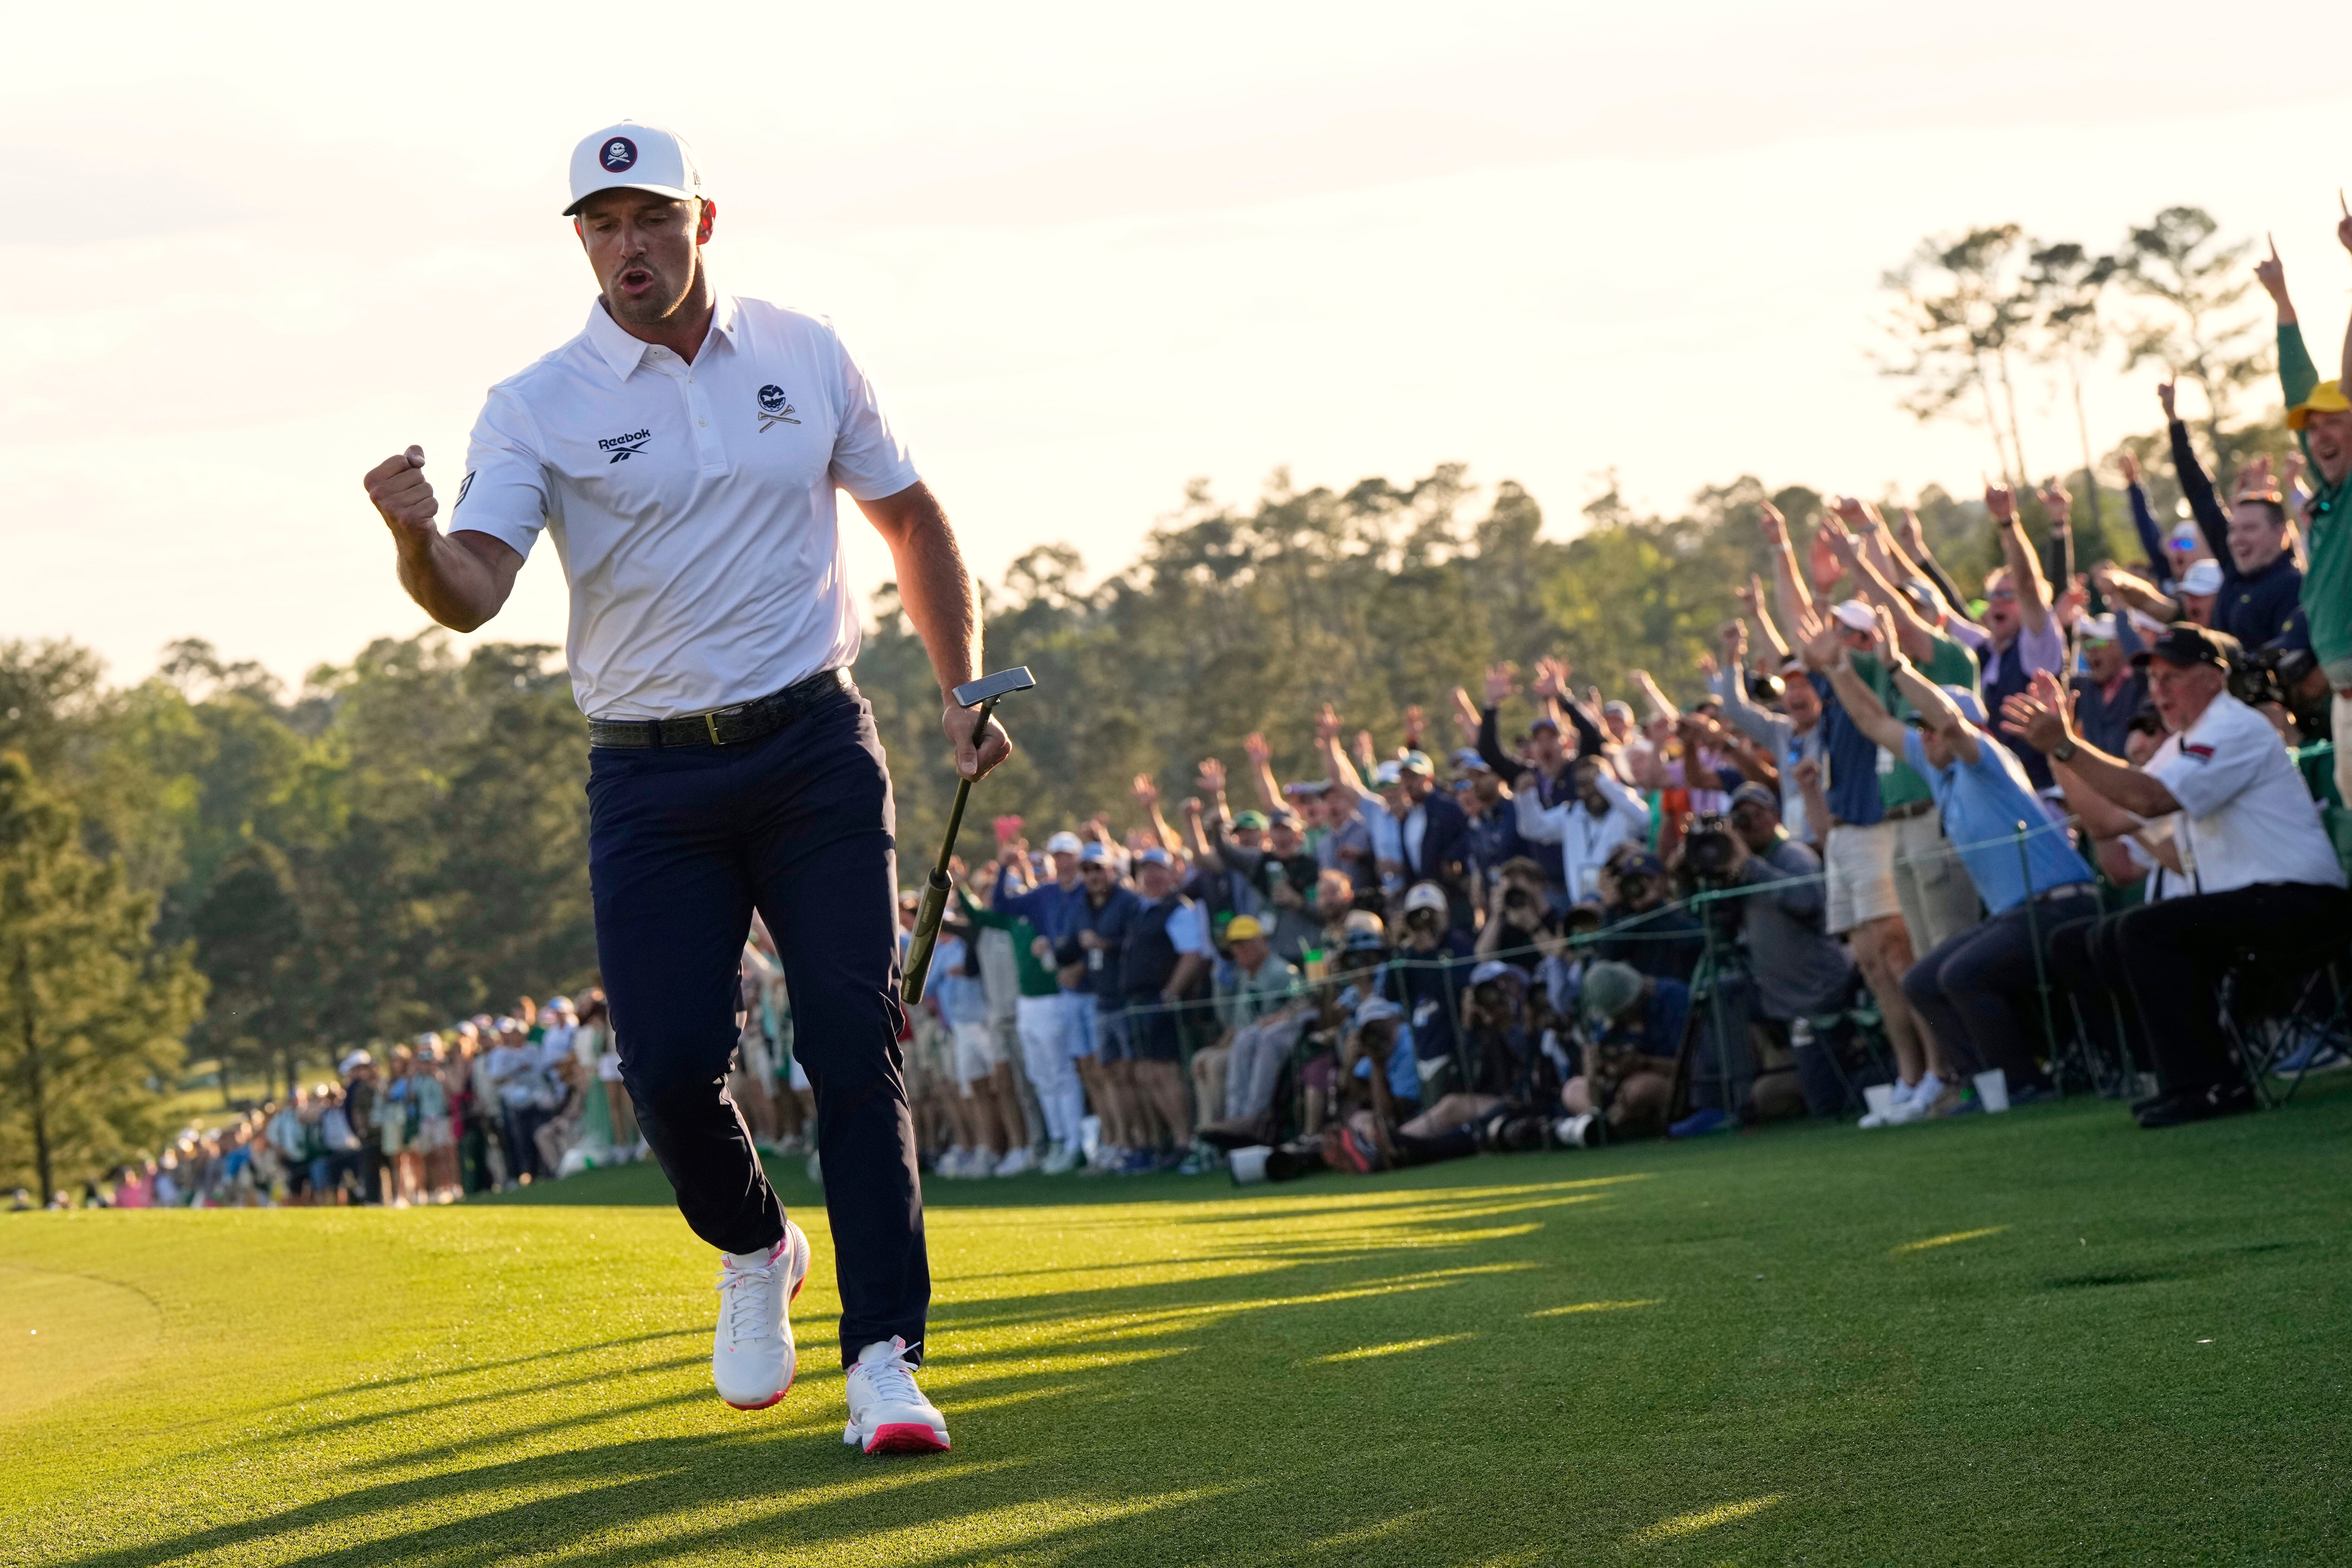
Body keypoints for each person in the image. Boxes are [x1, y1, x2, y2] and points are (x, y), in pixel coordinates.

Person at [359, 121, 988, 1449]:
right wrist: (414, 539)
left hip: (814, 746)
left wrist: (961, 682)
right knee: (663, 1067)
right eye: (600, 226)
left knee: (852, 1039)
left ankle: (883, 1359)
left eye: (650, 217)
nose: (625, 245)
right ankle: (758, 1245)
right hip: (650, 778)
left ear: (703, 221)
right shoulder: (535, 402)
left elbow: (909, 517)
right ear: (581, 243)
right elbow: (471, 590)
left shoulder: (805, 351)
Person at [2000, 624, 2352, 1127]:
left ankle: (2211, 1084)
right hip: (2251, 902)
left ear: (2212, 678)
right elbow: (2105, 821)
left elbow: (2148, 800)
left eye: (2172, 677)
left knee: (2143, 930)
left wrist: (2066, 747)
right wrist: (2061, 749)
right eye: (2153, 679)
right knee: (2088, 941)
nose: (2159, 691)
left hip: (2302, 902)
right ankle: (2170, 1076)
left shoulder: (2236, 727)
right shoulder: (2185, 742)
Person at [1826, 619, 2099, 1107]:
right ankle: (1986, 1082)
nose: (1924, 738)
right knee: (1921, 980)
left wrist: (1896, 666)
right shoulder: (1939, 770)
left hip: (2057, 905)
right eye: (1921, 730)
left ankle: (2023, 1083)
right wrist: (1836, 668)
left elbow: (1949, 723)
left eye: (1929, 729)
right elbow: (1873, 722)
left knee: (1960, 974)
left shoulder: (1985, 759)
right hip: (2017, 915)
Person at [2256, 218, 2352, 806]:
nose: (2318, 437)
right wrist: (2282, 302)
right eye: (2311, 429)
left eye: (2333, 422)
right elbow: (2298, 387)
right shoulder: (2328, 496)